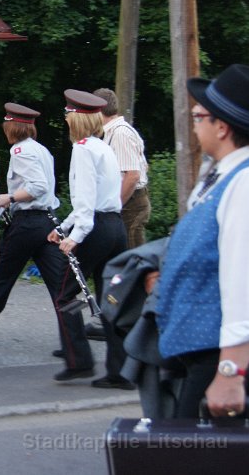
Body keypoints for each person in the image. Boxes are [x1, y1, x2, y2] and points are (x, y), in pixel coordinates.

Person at [156, 64, 249, 418]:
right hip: (203, 350)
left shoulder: (244, 181)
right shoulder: (221, 174)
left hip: (221, 354)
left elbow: (243, 278)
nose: (193, 124)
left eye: (198, 116)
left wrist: (231, 372)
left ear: (222, 127)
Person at [0, 103, 84, 357]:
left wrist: (7, 198)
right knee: (62, 288)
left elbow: (36, 186)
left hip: (27, 224)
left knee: (1, 283)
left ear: (11, 126)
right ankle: (75, 345)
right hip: (47, 221)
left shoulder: (20, 151)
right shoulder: (41, 150)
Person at [47, 89, 129, 388]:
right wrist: (65, 226)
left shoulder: (81, 149)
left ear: (77, 118)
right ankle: (120, 371)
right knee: (112, 298)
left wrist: (75, 235)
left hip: (94, 228)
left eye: (68, 115)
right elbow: (98, 198)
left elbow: (85, 200)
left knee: (64, 294)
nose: (66, 120)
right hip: (114, 226)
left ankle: (79, 360)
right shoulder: (102, 147)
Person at [95, 88, 151, 248]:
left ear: (98, 110)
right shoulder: (114, 132)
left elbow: (132, 175)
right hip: (128, 200)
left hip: (130, 203)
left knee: (133, 260)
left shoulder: (120, 134)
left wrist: (115, 206)